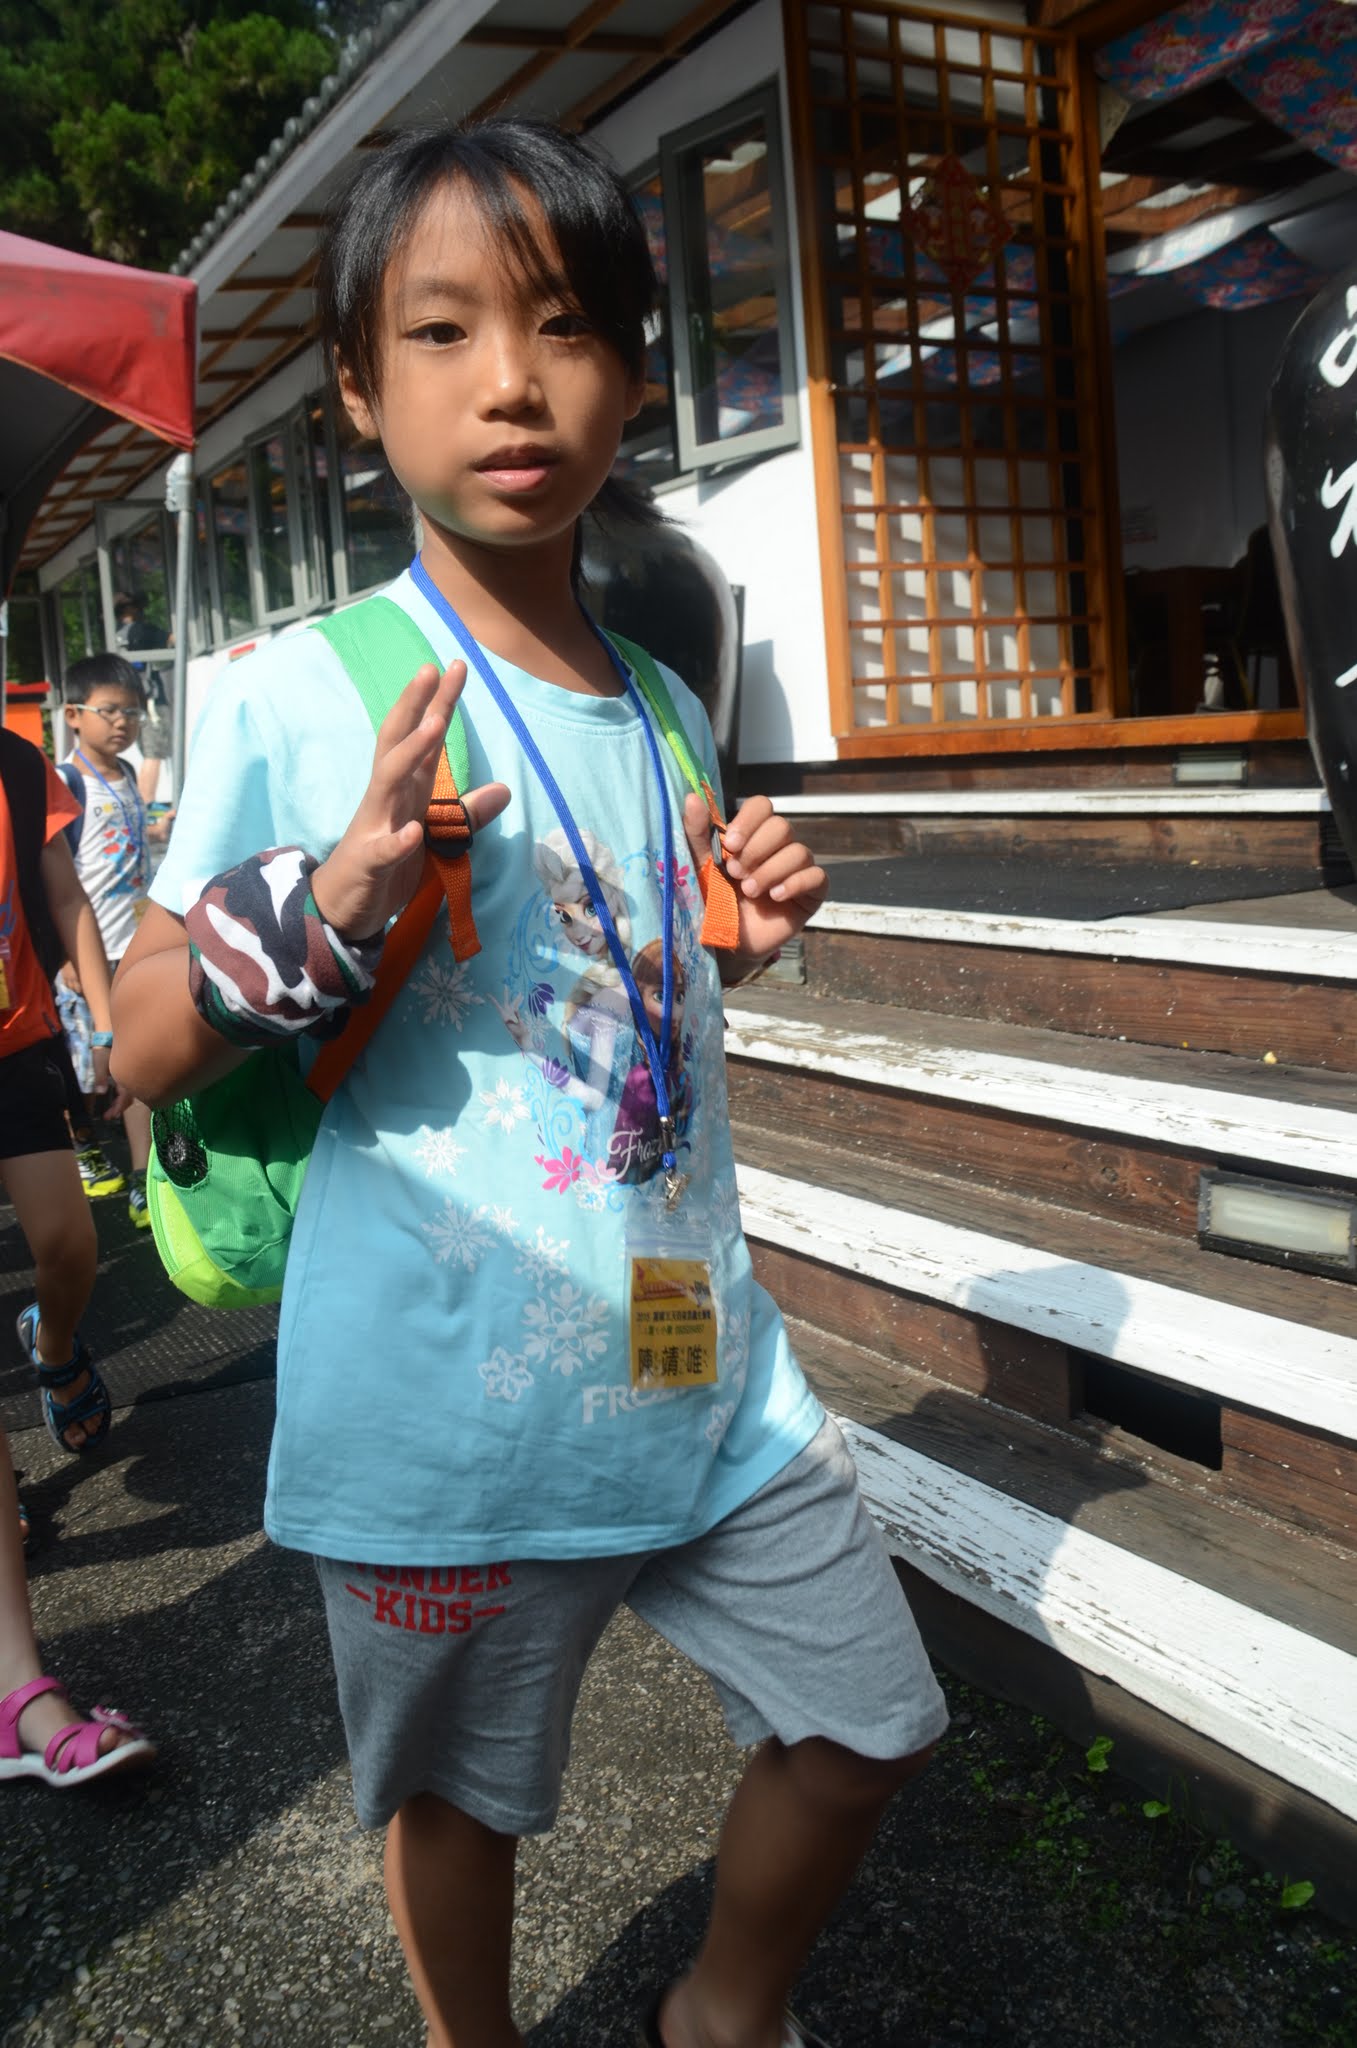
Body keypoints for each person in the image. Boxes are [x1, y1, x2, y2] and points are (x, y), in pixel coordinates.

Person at [112, 119, 947, 2048]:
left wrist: (735, 935)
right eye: (441, 330)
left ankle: (718, 2011)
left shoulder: (662, 702)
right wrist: (326, 905)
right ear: (355, 387)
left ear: (634, 375)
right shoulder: (302, 689)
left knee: (868, 1720)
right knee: (461, 1798)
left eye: (565, 324)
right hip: (446, 1406)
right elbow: (141, 1042)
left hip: (699, 1358)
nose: (510, 380)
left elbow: (627, 982)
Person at [56, 654, 171, 1228]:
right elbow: (54, 882)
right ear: (73, 715)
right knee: (85, 1069)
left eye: (132, 712)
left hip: (136, 943)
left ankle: (144, 1178)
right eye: (109, 710)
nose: (123, 722)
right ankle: (81, 1148)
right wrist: (65, 957)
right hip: (89, 952)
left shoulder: (126, 773)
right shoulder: (65, 782)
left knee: (134, 1062)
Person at [113, 595, 173, 805]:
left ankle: (144, 802)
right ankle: (146, 803)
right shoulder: (141, 630)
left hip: (129, 703)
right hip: (151, 700)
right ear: (132, 610)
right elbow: (174, 640)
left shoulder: (114, 635)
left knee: (146, 751)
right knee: (153, 753)